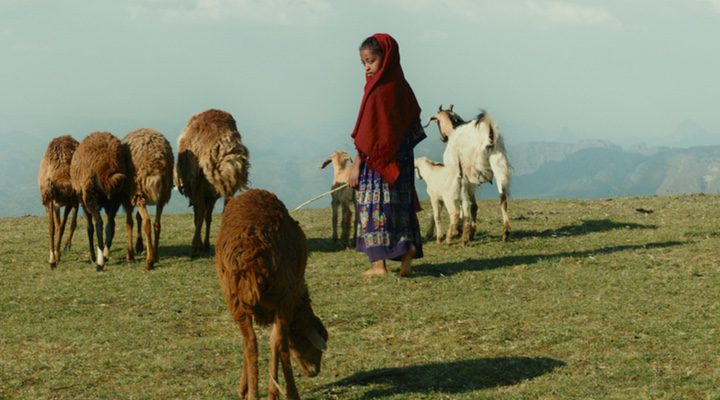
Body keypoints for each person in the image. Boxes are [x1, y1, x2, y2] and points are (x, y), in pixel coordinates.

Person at [348, 33, 426, 277]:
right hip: (401, 161)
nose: (368, 68)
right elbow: (413, 124)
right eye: (364, 63)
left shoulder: (378, 90)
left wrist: (357, 164)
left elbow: (368, 134)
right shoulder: (401, 87)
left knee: (374, 207)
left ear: (386, 57)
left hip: (377, 164)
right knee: (399, 208)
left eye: (371, 61)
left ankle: (378, 265)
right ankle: (407, 250)